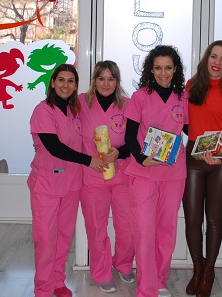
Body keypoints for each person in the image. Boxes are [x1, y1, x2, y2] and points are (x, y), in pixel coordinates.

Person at [28, 64, 108, 297]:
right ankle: (43, 288)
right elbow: (54, 147)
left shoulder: (74, 112)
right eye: (61, 80)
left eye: (71, 81)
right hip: (47, 185)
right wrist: (89, 161)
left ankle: (58, 282)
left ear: (75, 86)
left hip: (72, 184)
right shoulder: (43, 110)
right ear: (52, 83)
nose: (65, 85)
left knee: (63, 237)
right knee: (45, 239)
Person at [124, 45, 188, 297]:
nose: (163, 73)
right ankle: (146, 287)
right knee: (144, 231)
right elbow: (130, 136)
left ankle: (160, 279)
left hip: (173, 173)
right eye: (158, 68)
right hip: (144, 173)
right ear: (151, 69)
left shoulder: (183, 98)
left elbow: (190, 131)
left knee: (166, 230)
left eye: (168, 68)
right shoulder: (140, 97)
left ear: (175, 69)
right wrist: (142, 159)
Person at [183, 40, 222, 297]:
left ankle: (209, 271)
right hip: (194, 158)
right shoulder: (191, 85)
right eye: (214, 56)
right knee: (192, 219)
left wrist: (218, 155)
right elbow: (184, 121)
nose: (217, 62)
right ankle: (197, 269)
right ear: (207, 58)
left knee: (214, 219)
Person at [78, 61, 136, 293]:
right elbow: (60, 117)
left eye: (111, 79)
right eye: (101, 78)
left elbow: (135, 140)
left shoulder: (128, 105)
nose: (105, 83)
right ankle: (101, 272)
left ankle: (123, 264)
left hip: (122, 174)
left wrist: (118, 152)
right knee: (96, 228)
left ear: (117, 82)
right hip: (92, 176)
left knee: (127, 227)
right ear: (94, 81)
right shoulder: (81, 103)